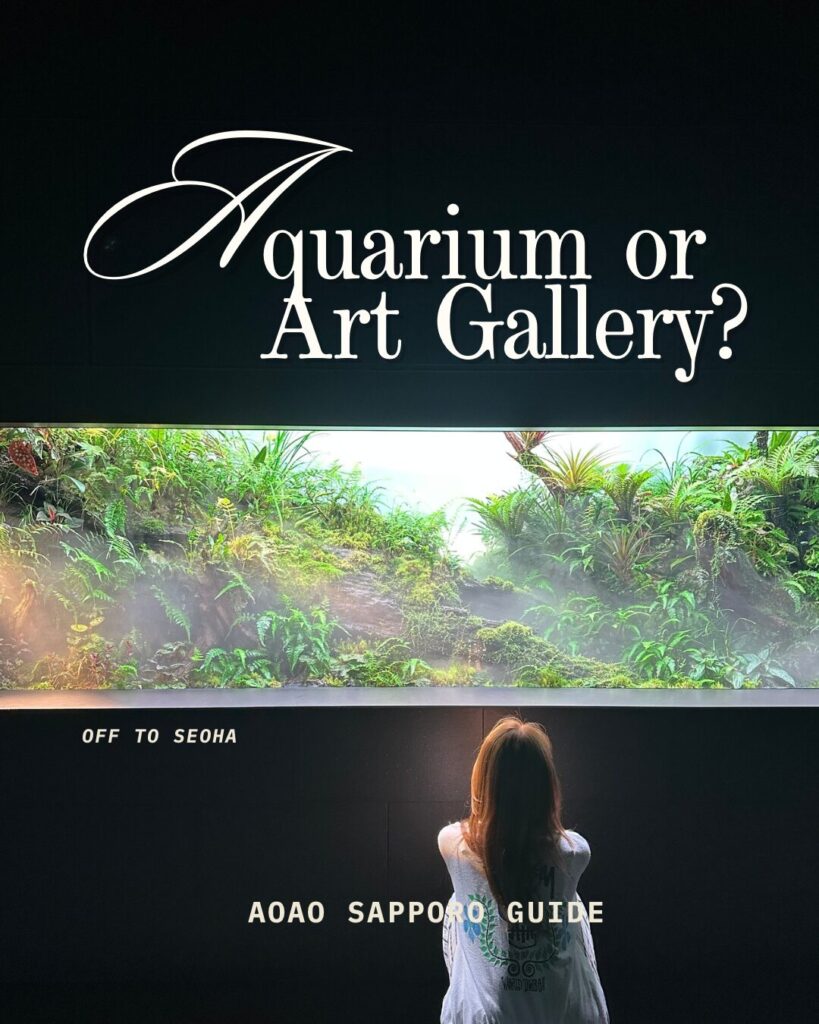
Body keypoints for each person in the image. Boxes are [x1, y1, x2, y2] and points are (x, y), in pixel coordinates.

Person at [438, 716, 609, 1024]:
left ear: (483, 781)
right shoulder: (575, 853)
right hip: (564, 1014)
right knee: (573, 905)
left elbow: (472, 833)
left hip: (483, 1017)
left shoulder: (453, 845)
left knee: (457, 905)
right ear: (548, 787)